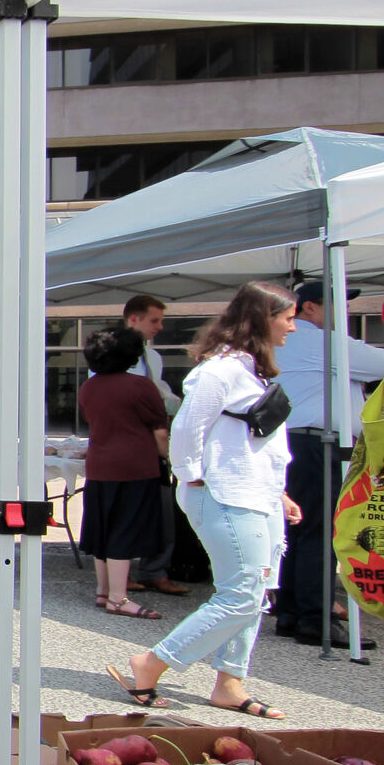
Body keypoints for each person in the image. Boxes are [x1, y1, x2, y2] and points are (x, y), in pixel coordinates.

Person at [108, 281, 301, 718]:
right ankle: (152, 662)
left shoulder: (252, 369)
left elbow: (258, 442)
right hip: (227, 494)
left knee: (256, 592)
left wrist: (279, 492)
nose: (293, 326)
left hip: (259, 494)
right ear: (264, 319)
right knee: (242, 593)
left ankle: (229, 682)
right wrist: (193, 477)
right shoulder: (221, 370)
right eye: (288, 318)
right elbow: (187, 428)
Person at [272, 279, 384, 648]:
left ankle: (291, 612)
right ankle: (315, 619)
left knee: (298, 531)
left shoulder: (301, 342)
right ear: (309, 307)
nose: (346, 310)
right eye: (337, 302)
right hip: (315, 443)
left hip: (295, 441)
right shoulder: (321, 341)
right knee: (319, 533)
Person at [77, 326, 169, 617]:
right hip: (135, 465)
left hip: (99, 464)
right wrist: (168, 456)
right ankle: (118, 597)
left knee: (103, 528)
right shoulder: (140, 386)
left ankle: (104, 590)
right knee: (125, 529)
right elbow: (160, 430)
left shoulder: (88, 387)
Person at [117, 295, 190, 599]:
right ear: (134, 319)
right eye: (154, 321)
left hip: (151, 440)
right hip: (127, 441)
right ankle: (119, 574)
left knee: (161, 507)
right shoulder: (112, 353)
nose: (159, 327)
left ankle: (155, 570)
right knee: (125, 510)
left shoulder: (154, 358)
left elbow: (160, 396)